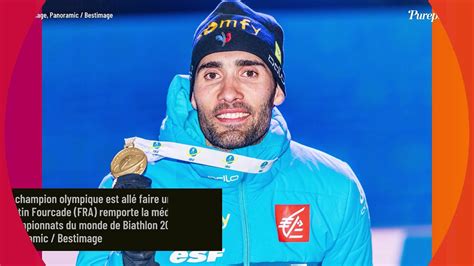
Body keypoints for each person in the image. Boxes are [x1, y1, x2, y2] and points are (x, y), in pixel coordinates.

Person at [77, 0, 372, 265]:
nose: (229, 93)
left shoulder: (335, 188)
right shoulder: (136, 189)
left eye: (249, 73)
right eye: (212, 75)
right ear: (193, 94)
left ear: (277, 90)